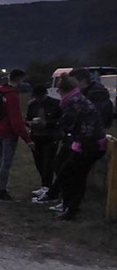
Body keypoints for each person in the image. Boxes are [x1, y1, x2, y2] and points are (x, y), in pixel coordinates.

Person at [52, 74, 106, 220]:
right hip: (89, 143)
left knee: (68, 174)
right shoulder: (77, 99)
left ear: (62, 90)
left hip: (89, 145)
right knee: (75, 175)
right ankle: (70, 208)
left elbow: (66, 124)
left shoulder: (74, 102)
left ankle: (70, 208)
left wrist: (54, 130)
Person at [0, 69, 35, 202]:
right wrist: (28, 140)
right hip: (9, 134)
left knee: (1, 160)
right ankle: (2, 192)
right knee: (6, 162)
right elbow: (16, 122)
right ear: (19, 79)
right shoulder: (12, 96)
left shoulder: (0, 91)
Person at [25, 84, 60, 196]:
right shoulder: (32, 105)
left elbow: (60, 120)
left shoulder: (55, 104)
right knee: (39, 161)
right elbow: (27, 119)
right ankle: (44, 184)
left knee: (48, 162)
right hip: (36, 136)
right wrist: (30, 123)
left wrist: (46, 124)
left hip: (50, 136)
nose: (38, 99)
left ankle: (47, 185)